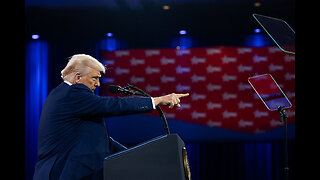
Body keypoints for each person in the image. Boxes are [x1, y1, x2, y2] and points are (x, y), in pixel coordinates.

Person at [33, 54, 189, 180]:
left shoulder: (65, 97)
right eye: (95, 78)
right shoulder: (72, 94)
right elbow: (113, 105)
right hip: (65, 173)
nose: (98, 84)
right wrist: (157, 100)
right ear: (77, 77)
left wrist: (135, 156)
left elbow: (100, 140)